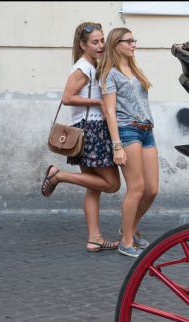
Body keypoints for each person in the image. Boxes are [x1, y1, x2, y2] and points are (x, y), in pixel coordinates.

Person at [41, 22, 121, 253]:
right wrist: (98, 102)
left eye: (102, 40)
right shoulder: (83, 67)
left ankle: (94, 238)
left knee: (93, 188)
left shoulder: (93, 64)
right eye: (95, 42)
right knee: (112, 184)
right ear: (83, 45)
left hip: (90, 129)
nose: (100, 45)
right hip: (91, 129)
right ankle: (59, 176)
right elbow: (67, 97)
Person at [98, 28, 159, 258]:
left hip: (146, 130)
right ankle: (125, 242)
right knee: (137, 187)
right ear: (116, 45)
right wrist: (117, 145)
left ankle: (129, 228)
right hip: (127, 131)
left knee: (152, 189)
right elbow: (110, 112)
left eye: (135, 40)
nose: (134, 44)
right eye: (129, 41)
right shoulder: (109, 74)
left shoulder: (134, 69)